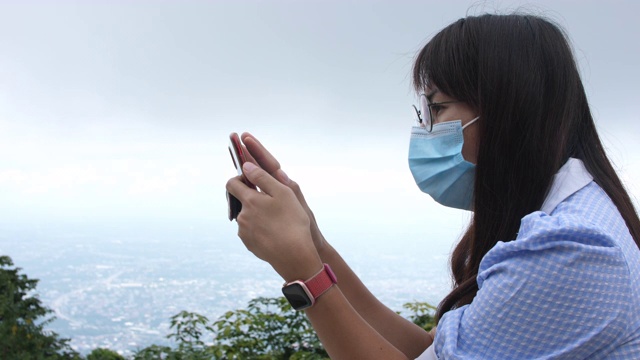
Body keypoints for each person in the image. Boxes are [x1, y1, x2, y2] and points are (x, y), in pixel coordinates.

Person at [225, 13, 640, 359]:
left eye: (437, 108)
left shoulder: (572, 249)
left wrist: (302, 272)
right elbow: (430, 352)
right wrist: (313, 243)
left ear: (505, 111)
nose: (427, 129)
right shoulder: (567, 218)